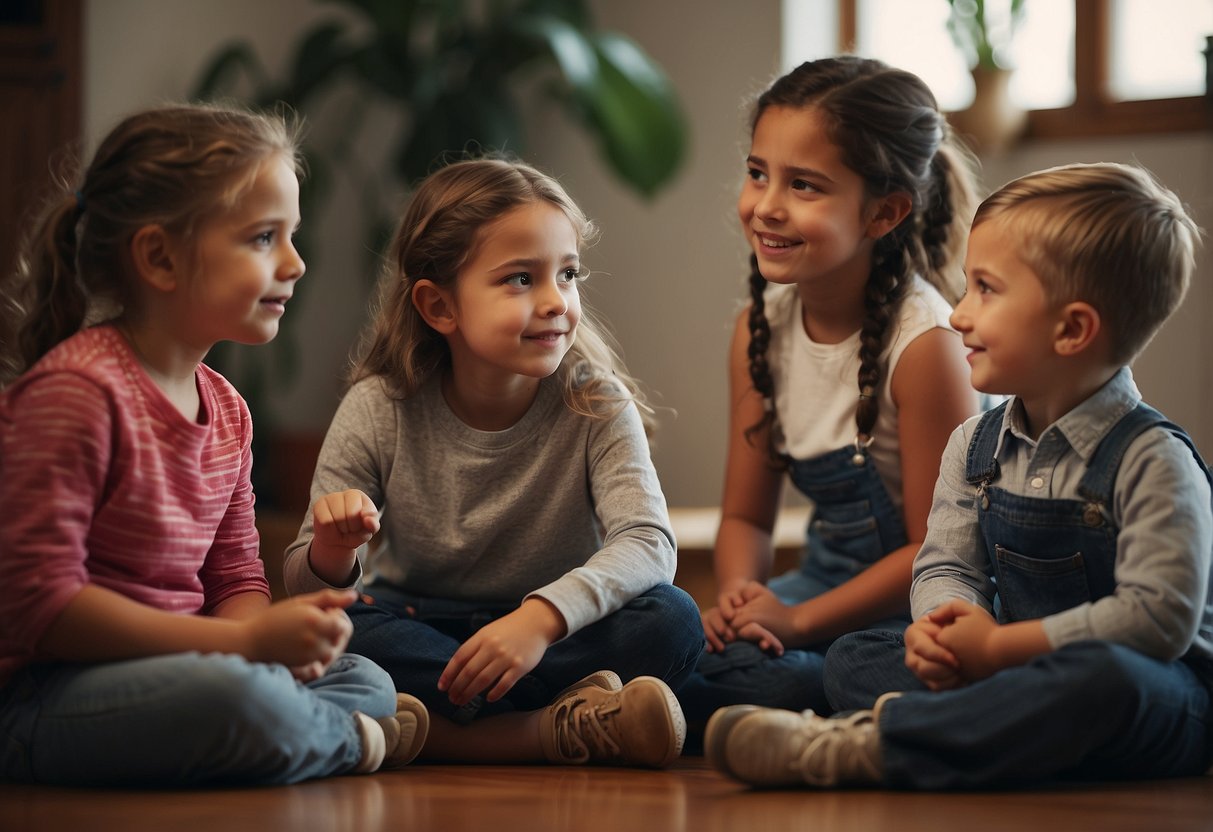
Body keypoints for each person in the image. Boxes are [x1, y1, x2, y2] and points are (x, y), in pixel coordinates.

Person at [706, 162, 1213, 789]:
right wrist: (944, 628)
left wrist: (1001, 649)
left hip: (1151, 687)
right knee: (855, 659)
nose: (958, 315)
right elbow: (945, 563)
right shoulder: (974, 444)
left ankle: (869, 749)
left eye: (986, 290)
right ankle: (996, 739)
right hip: (999, 669)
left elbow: (1157, 620)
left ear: (1073, 328)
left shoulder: (1153, 460)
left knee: (1109, 683)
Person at [0, 104, 428, 787]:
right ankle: (346, 742)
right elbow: (42, 608)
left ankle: (314, 729)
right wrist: (239, 646)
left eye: (291, 234)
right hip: (49, 695)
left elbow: (234, 580)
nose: (296, 261)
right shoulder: (76, 393)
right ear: (161, 257)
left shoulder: (227, 410)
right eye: (264, 237)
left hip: (188, 671)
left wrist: (271, 646)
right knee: (231, 701)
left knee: (365, 674)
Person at [282, 157, 704, 767]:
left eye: (568, 274)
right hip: (422, 623)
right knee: (345, 631)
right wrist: (330, 548)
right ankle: (550, 728)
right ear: (439, 307)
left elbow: (647, 541)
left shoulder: (596, 402)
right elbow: (304, 584)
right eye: (520, 279)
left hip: (555, 632)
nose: (557, 301)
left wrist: (539, 621)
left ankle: (448, 733)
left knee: (672, 620)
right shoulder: (380, 405)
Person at [676, 56, 980, 729]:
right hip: (821, 583)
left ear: (883, 213)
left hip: (925, 598)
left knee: (847, 669)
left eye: (804, 185)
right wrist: (739, 602)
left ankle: (805, 702)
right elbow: (747, 518)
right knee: (672, 639)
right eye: (757, 173)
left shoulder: (926, 346)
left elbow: (938, 552)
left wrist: (797, 620)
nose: (766, 206)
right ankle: (783, 700)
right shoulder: (759, 330)